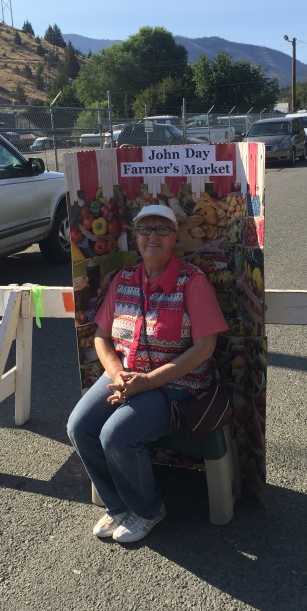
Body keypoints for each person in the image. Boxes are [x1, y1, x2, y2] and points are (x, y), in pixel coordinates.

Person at [67, 204, 229, 543]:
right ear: (135, 236)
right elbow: (101, 337)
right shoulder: (124, 279)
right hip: (127, 376)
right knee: (79, 426)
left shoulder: (192, 282)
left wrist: (149, 382)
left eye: (162, 229)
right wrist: (117, 373)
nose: (153, 236)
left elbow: (205, 347)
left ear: (174, 237)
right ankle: (118, 505)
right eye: (145, 229)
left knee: (117, 434)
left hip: (180, 383)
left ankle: (147, 509)